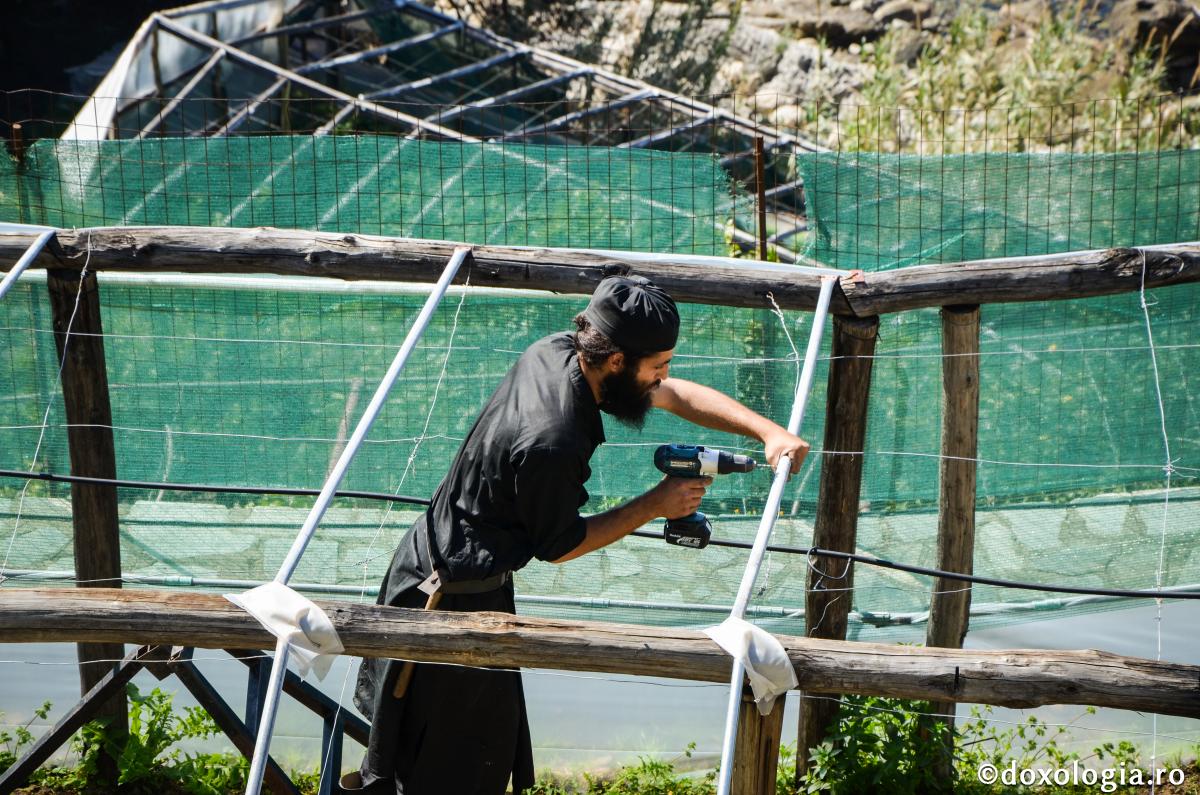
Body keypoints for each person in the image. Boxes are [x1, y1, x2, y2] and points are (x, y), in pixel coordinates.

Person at [342, 275, 809, 794]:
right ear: (615, 362)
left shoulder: (557, 351)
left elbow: (669, 394)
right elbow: (561, 546)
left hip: (436, 563)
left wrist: (767, 431)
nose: (664, 378)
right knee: (449, 772)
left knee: (453, 755)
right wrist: (656, 503)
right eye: (657, 367)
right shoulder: (553, 441)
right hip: (447, 604)